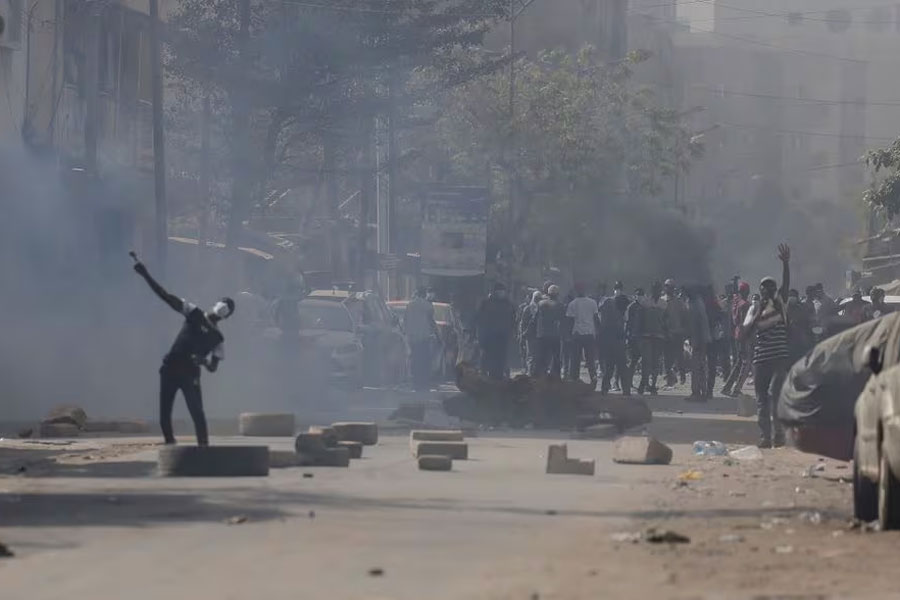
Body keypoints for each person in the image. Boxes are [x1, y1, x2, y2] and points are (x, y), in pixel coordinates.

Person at [132, 255, 234, 446]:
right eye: (226, 304)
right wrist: (145, 274)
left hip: (190, 374)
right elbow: (166, 296)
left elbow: (213, 368)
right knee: (165, 415)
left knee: (197, 412)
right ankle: (171, 447)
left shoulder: (218, 339)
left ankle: (203, 449)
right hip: (171, 368)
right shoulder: (193, 312)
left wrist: (202, 361)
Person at [743, 244, 791, 448]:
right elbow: (745, 334)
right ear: (759, 290)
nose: (768, 288)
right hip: (761, 360)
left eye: (771, 285)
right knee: (762, 399)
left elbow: (787, 284)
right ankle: (765, 437)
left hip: (779, 358)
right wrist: (758, 313)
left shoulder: (780, 303)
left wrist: (786, 264)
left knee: (775, 395)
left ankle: (779, 435)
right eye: (764, 286)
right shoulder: (754, 308)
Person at [476, 283, 517, 380]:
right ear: (494, 292)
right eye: (499, 291)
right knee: (487, 356)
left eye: (502, 291)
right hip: (489, 336)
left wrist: (512, 331)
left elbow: (513, 319)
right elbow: (480, 320)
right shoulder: (486, 303)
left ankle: (499, 375)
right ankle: (485, 374)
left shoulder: (508, 304)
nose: (501, 293)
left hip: (503, 336)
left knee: (501, 357)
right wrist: (480, 335)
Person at [721, 281, 752, 397]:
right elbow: (746, 322)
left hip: (737, 333)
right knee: (746, 362)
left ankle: (727, 387)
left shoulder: (736, 302)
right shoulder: (745, 304)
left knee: (739, 362)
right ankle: (737, 388)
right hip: (744, 334)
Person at [405, 287, 438, 391]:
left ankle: (416, 381)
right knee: (424, 359)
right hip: (424, 336)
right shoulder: (427, 305)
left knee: (415, 358)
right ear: (424, 294)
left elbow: (405, 320)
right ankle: (423, 381)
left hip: (412, 337)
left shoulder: (410, 304)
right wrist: (435, 332)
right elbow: (431, 319)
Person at [566, 282, 599, 385]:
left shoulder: (572, 304)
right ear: (585, 290)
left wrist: (568, 335)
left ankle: (574, 380)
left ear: (576, 291)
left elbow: (570, 321)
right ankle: (593, 377)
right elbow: (596, 319)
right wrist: (597, 333)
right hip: (589, 333)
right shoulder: (592, 302)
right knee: (590, 359)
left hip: (577, 334)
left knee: (575, 359)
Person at [636, 282, 666, 395]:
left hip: (659, 337)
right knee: (646, 362)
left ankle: (653, 385)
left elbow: (666, 321)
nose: (656, 291)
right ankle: (643, 384)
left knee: (655, 363)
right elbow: (639, 321)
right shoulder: (645, 303)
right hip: (646, 336)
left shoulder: (664, 304)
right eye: (654, 289)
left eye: (658, 289)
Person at [598, 291, 630, 395]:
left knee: (610, 368)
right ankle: (625, 392)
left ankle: (605, 390)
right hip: (614, 342)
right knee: (619, 368)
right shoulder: (611, 308)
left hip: (611, 342)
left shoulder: (610, 306)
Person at [535, 285, 566, 379]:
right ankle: (556, 377)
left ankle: (540, 377)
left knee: (542, 357)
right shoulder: (560, 305)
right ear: (557, 294)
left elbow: (535, 318)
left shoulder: (540, 304)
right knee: (556, 357)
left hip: (542, 334)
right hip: (554, 335)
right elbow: (563, 320)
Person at [686, 285, 710, 402]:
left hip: (698, 341)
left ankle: (697, 393)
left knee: (697, 367)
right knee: (700, 366)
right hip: (699, 340)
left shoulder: (695, 304)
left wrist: (699, 341)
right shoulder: (697, 302)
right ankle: (702, 392)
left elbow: (699, 324)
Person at [662, 278, 688, 387]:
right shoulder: (662, 300)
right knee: (667, 357)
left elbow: (685, 316)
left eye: (671, 287)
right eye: (668, 286)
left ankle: (682, 376)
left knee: (679, 356)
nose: (670, 289)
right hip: (667, 333)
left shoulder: (679, 301)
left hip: (678, 332)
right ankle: (669, 378)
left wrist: (684, 330)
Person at [706, 286, 731, 397]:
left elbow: (722, 314)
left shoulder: (712, 304)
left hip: (713, 338)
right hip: (710, 338)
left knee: (711, 365)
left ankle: (708, 389)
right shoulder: (710, 304)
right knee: (710, 365)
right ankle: (708, 389)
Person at [786, 288, 814, 364]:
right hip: (787, 339)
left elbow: (807, 321)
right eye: (790, 295)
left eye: (793, 296)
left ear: (797, 297)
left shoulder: (802, 308)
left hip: (800, 339)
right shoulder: (784, 309)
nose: (792, 297)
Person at [519, 290, 543, 376]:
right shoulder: (528, 309)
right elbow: (522, 323)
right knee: (531, 356)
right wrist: (522, 334)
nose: (538, 300)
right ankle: (530, 374)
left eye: (539, 298)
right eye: (536, 298)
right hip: (531, 336)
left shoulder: (542, 308)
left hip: (540, 336)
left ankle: (537, 374)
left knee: (538, 356)